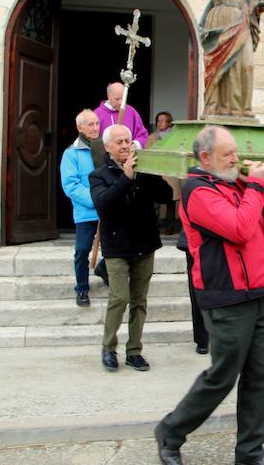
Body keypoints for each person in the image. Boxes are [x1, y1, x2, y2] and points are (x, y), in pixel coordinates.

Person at [155, 125, 264, 465]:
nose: (236, 159)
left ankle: (250, 453)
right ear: (206, 157)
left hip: (258, 293)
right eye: (228, 155)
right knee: (221, 377)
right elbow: (239, 230)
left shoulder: (236, 184)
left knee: (259, 378)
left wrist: (258, 187)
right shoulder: (197, 190)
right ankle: (170, 432)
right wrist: (255, 185)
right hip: (225, 297)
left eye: (236, 152)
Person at [90, 124, 172, 372]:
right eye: (119, 142)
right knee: (119, 297)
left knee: (139, 300)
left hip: (144, 243)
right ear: (108, 147)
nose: (125, 145)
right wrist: (125, 178)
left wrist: (151, 172)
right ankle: (108, 347)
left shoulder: (143, 167)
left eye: (128, 141)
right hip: (116, 245)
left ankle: (134, 350)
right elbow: (104, 205)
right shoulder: (99, 175)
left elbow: (166, 195)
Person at [200, 0, 264, 118]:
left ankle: (244, 109)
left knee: (246, 65)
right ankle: (224, 108)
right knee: (226, 66)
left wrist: (260, 8)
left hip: (242, 24)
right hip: (222, 23)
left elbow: (253, 5)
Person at [60, 109, 103, 307]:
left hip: (108, 208)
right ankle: (82, 288)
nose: (95, 128)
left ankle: (104, 270)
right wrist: (95, 199)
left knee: (117, 248)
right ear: (79, 127)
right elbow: (71, 185)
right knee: (82, 251)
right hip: (87, 211)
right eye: (90, 124)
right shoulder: (71, 153)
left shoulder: (106, 148)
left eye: (96, 123)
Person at [146, 111, 181, 234]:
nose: (161, 123)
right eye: (159, 120)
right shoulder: (152, 137)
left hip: (170, 172)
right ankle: (152, 226)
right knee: (154, 200)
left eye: (164, 120)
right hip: (156, 172)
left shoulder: (176, 137)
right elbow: (147, 153)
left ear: (169, 122)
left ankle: (169, 227)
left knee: (170, 201)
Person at [94, 82, 149, 149]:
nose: (121, 102)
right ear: (108, 96)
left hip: (128, 156)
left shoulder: (131, 112)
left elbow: (143, 135)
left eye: (123, 99)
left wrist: (135, 144)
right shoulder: (97, 114)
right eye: (117, 99)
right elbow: (91, 139)